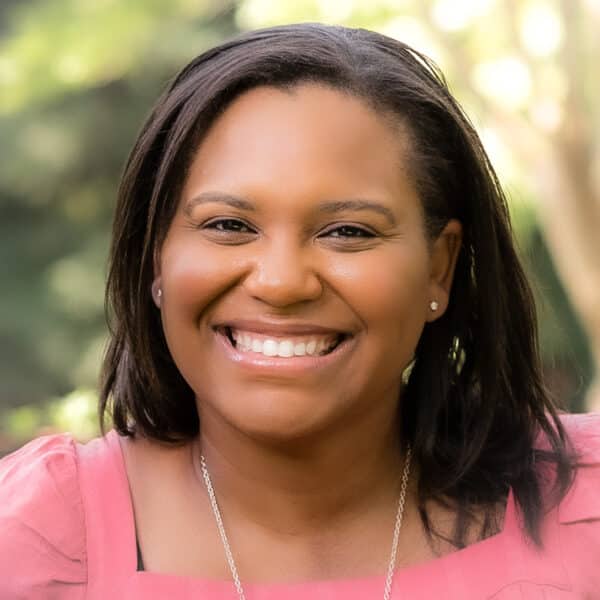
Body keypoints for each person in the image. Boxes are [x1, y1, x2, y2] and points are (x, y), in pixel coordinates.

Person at [1, 22, 599, 600]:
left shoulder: (585, 515)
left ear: (439, 267)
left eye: (347, 231)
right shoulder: (36, 542)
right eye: (229, 225)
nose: (282, 282)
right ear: (156, 258)